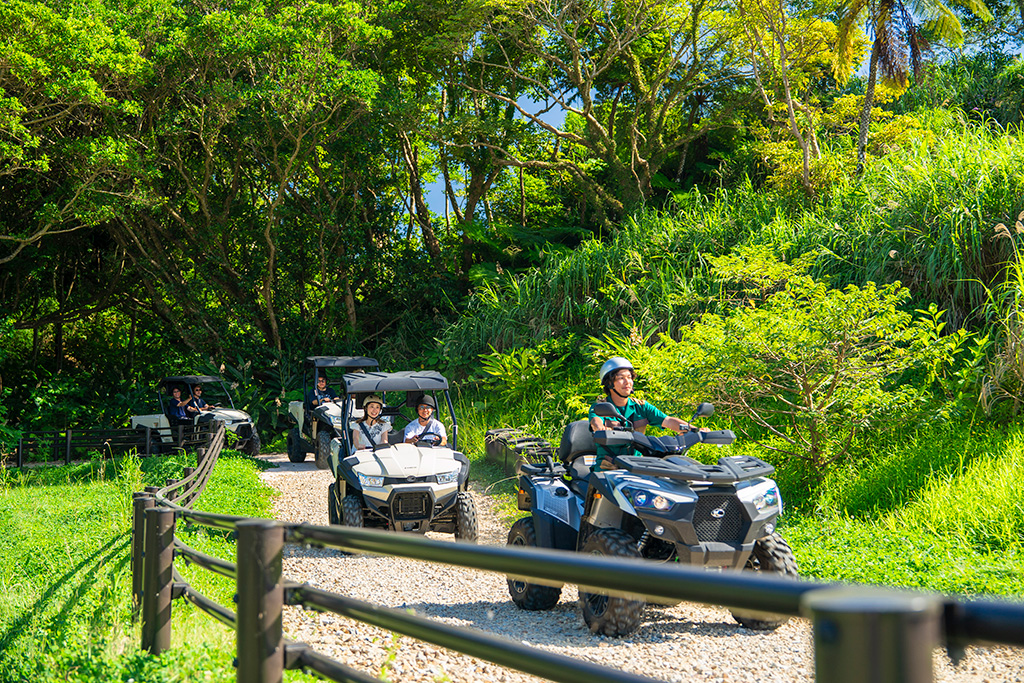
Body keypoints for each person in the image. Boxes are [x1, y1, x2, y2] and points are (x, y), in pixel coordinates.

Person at [588, 357, 694, 472]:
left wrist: (693, 429)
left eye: (629, 377)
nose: (627, 382)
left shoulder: (641, 406)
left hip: (636, 467)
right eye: (621, 378)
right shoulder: (600, 407)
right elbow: (596, 422)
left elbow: (667, 421)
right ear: (609, 383)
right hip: (608, 468)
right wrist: (601, 429)